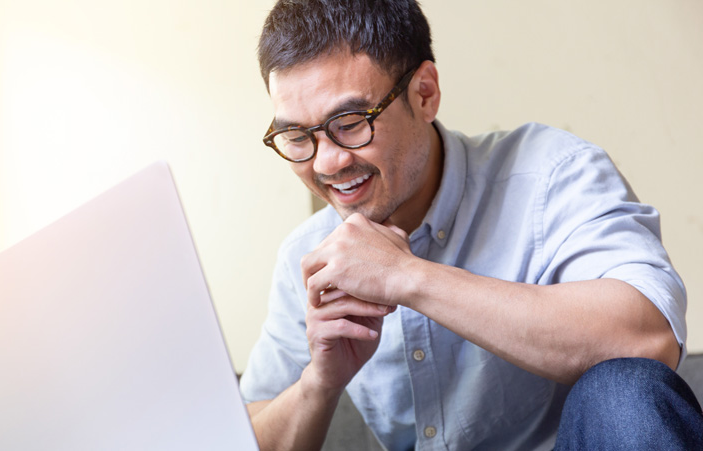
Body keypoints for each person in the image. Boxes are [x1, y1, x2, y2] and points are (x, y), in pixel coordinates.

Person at [239, 1, 703, 450]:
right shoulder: (308, 254)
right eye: (298, 136)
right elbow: (245, 436)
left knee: (625, 392)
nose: (328, 162)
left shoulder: (550, 175)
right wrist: (320, 380)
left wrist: (407, 276)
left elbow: (649, 338)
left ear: (424, 94)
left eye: (351, 122)